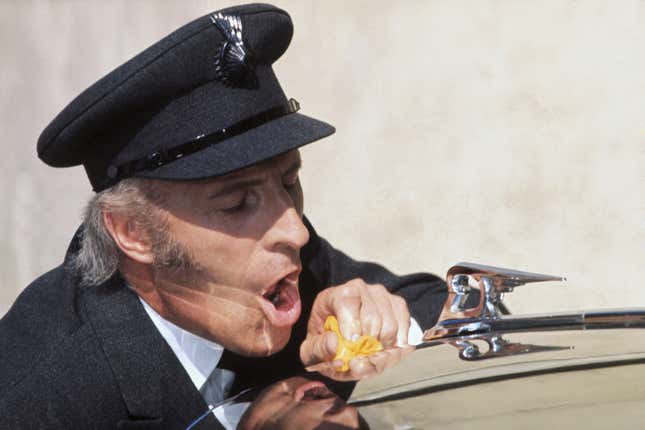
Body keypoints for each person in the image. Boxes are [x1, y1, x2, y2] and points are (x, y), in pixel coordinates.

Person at [0, 4, 446, 429]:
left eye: (290, 182)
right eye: (236, 204)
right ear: (134, 232)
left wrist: (382, 327)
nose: (294, 229)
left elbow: (453, 313)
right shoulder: (40, 400)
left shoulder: (283, 262)